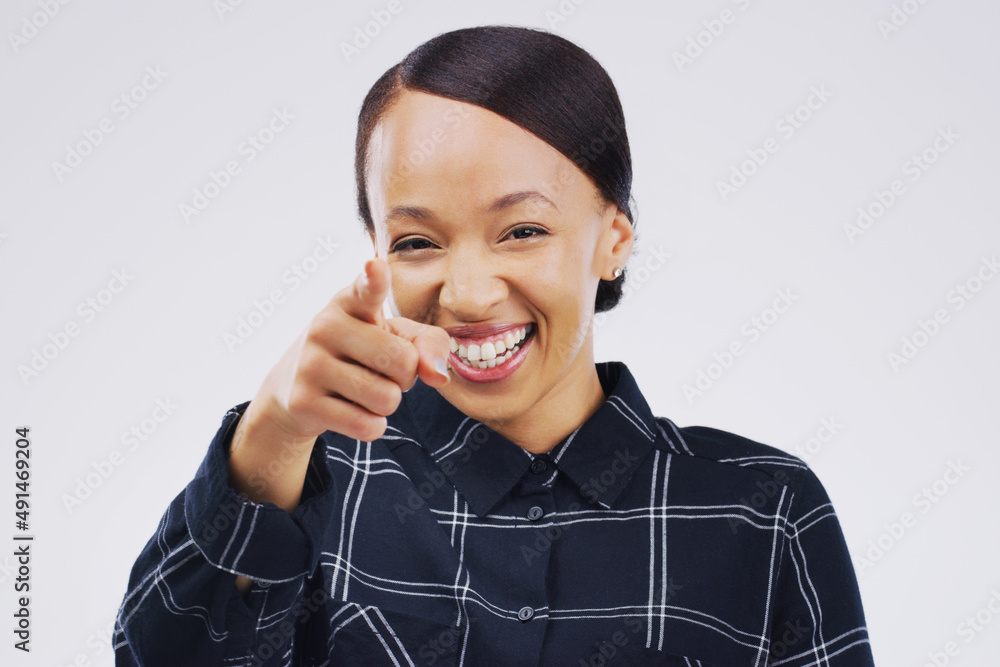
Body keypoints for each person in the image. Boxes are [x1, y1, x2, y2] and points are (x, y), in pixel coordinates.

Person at [114, 24, 875, 666]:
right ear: (375, 248)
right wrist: (273, 432)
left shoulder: (761, 508)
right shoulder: (312, 482)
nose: (469, 294)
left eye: (523, 230)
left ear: (613, 238)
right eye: (417, 240)